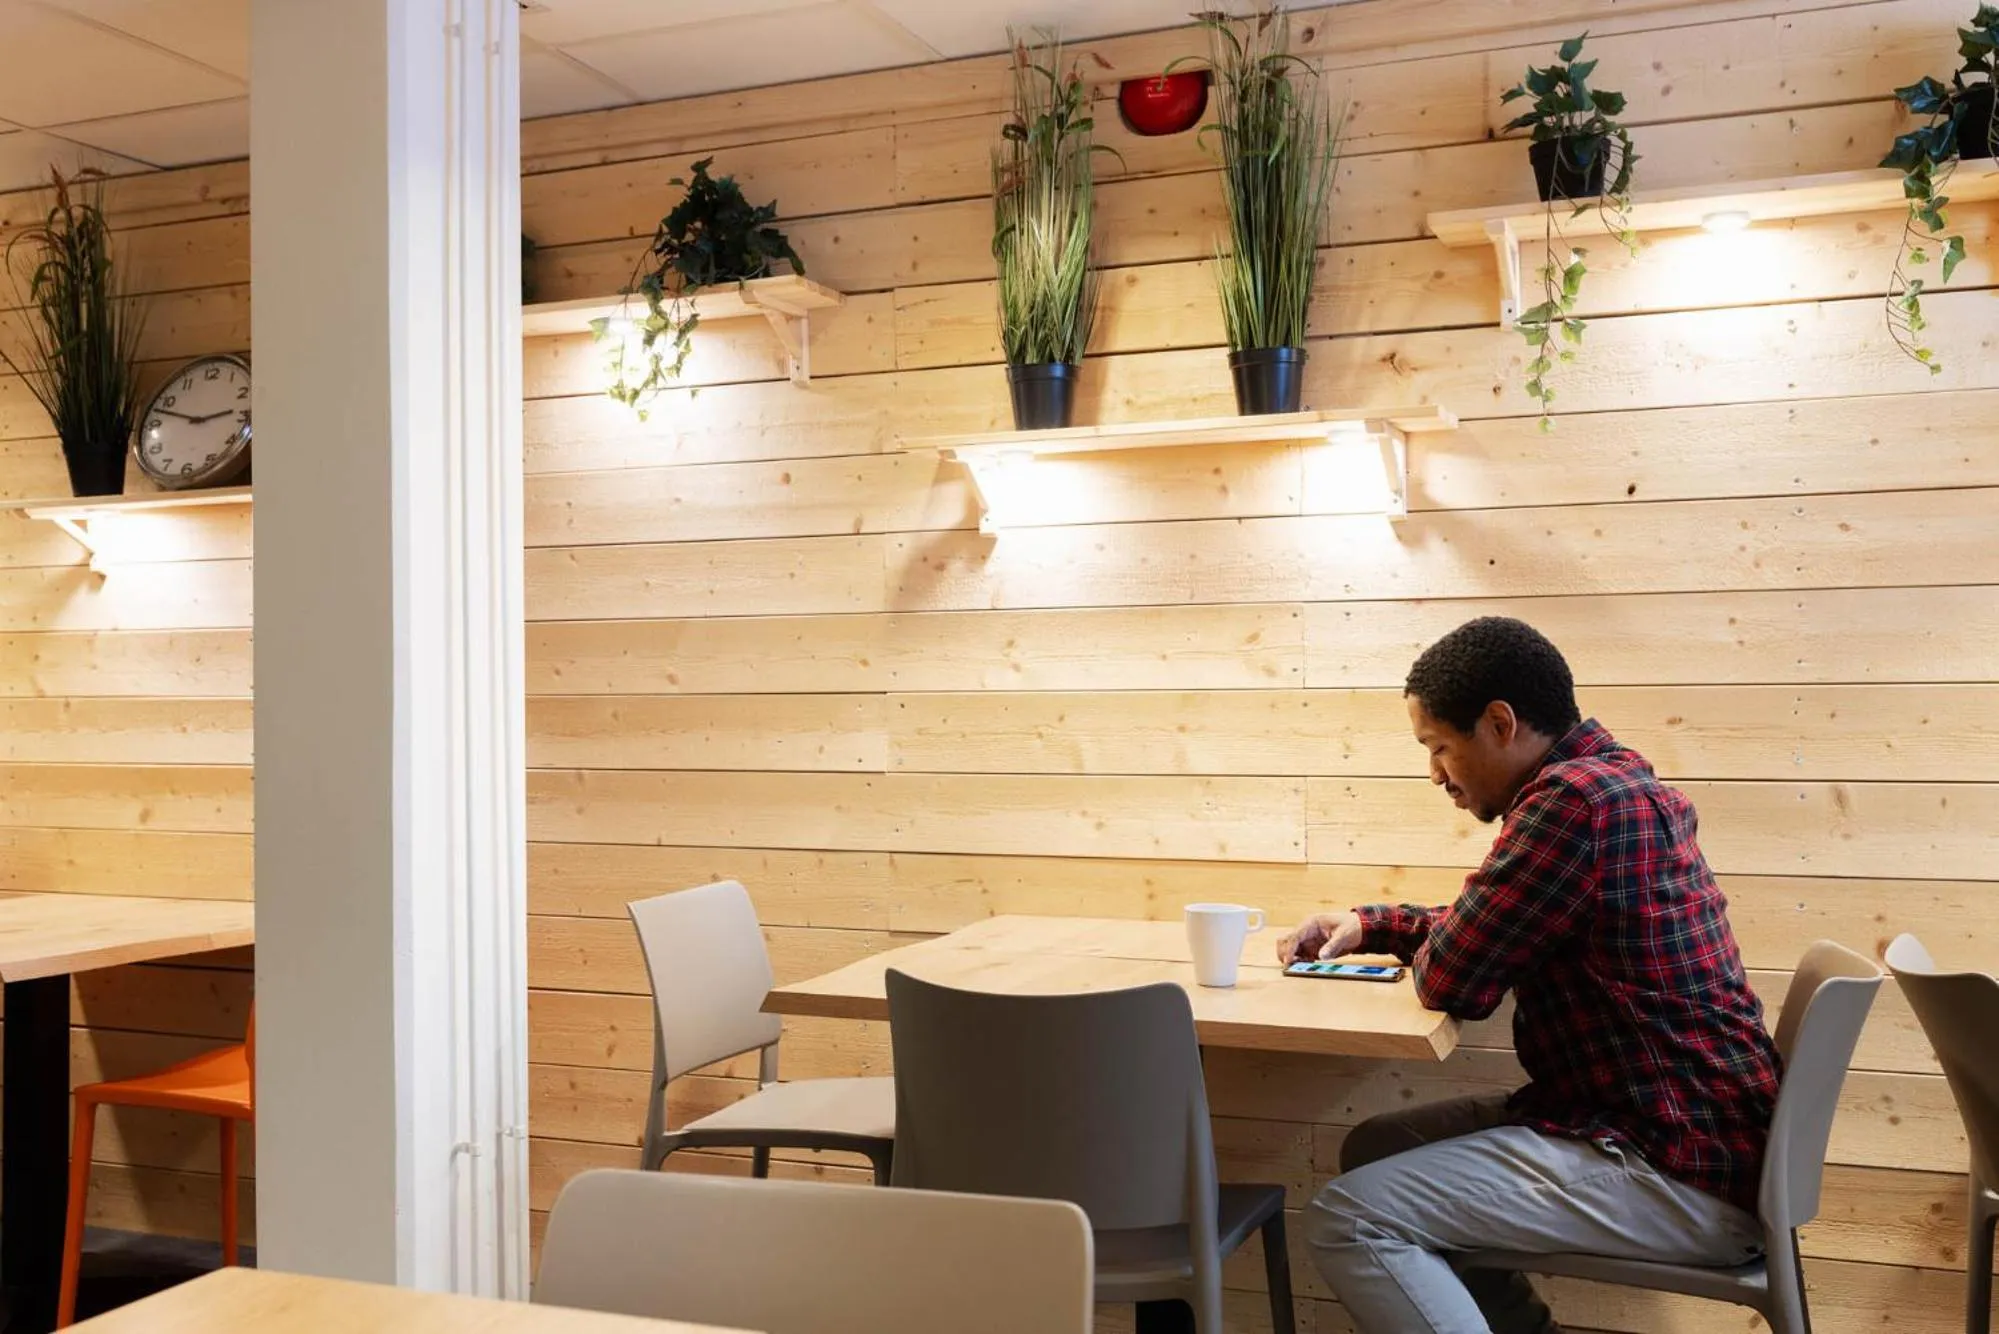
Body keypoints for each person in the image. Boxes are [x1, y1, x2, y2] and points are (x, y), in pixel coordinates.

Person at [1277, 616, 1780, 1334]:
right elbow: (1497, 916)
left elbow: (1454, 978)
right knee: (1376, 1150)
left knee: (1349, 1219)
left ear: (1499, 723)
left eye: (1438, 747)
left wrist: (1433, 938)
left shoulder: (1570, 804)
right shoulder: (1611, 781)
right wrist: (1374, 924)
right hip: (1693, 1138)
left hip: (1673, 1169)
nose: (1435, 776)